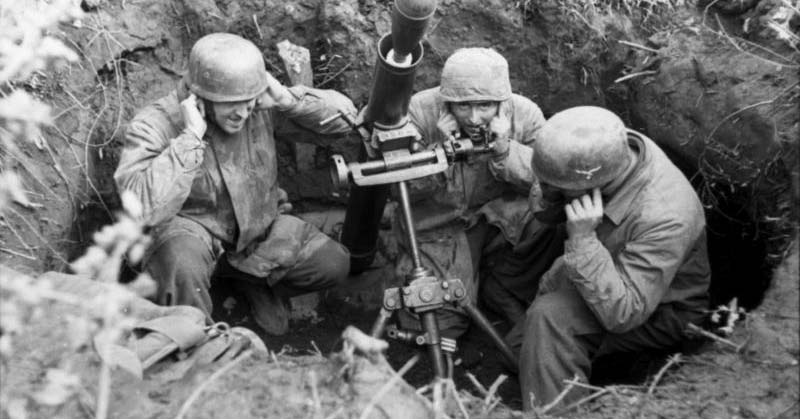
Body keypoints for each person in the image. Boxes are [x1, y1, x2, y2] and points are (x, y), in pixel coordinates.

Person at [114, 33, 357, 336]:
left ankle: (251, 280)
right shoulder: (154, 125)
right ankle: (194, 341)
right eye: (230, 104)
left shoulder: (259, 108)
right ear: (198, 97)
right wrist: (190, 138)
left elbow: (347, 122)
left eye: (248, 101)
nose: (242, 112)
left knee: (333, 263)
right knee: (182, 263)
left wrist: (287, 99)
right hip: (194, 239)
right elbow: (141, 209)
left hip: (257, 236)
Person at [494, 106, 711, 410]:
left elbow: (625, 313)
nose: (550, 190)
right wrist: (552, 192)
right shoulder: (606, 153)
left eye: (560, 187)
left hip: (661, 310)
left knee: (550, 319)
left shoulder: (666, 214)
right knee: (517, 354)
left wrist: (582, 238)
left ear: (594, 184)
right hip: (604, 272)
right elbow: (547, 209)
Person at [394, 47, 549, 338]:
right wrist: (440, 151)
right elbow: (399, 191)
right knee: (440, 328)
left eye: (485, 106)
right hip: (439, 227)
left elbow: (551, 181)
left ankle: (502, 284)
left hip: (499, 220)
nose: (474, 118)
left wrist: (505, 150)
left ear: (502, 102)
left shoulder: (525, 114)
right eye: (463, 106)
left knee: (553, 219)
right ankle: (475, 279)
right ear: (447, 101)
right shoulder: (419, 111)